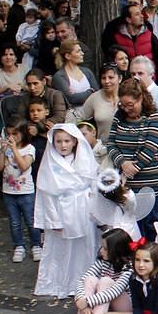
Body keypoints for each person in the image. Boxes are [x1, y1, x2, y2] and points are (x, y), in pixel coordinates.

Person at [34, 124, 100, 298]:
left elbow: (93, 185)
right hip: (61, 210)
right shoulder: (50, 164)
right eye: (58, 141)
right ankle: (60, 282)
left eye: (67, 141)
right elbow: (46, 193)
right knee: (61, 249)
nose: (63, 145)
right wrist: (53, 221)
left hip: (83, 210)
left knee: (84, 248)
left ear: (75, 142)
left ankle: (84, 282)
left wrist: (97, 212)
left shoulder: (85, 159)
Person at [107, 79, 158, 238]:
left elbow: (151, 147)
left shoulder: (155, 118)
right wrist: (122, 163)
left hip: (150, 187)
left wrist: (130, 170)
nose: (126, 109)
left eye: (130, 104)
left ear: (141, 98)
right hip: (126, 188)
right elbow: (111, 143)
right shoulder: (119, 116)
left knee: (150, 230)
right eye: (123, 105)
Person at [64, 229, 133, 314]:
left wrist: (87, 302)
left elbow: (115, 290)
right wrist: (82, 301)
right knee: (90, 279)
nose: (101, 251)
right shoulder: (102, 262)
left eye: (105, 248)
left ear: (117, 250)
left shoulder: (129, 266)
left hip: (124, 307)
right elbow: (82, 280)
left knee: (105, 281)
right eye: (101, 247)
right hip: (103, 305)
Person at [0, 122, 40, 263]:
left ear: (23, 133)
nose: (11, 137)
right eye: (8, 134)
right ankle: (19, 246)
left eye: (14, 133)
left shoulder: (29, 148)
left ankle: (36, 245)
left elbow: (24, 166)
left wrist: (14, 149)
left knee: (30, 220)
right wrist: (2, 151)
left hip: (26, 191)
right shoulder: (2, 146)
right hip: (9, 191)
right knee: (14, 222)